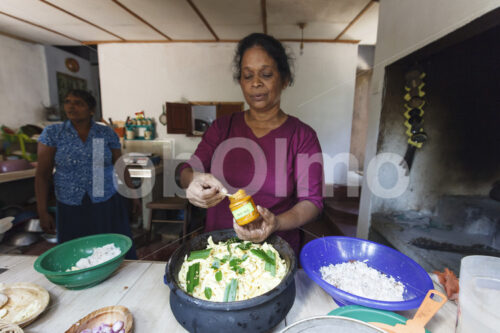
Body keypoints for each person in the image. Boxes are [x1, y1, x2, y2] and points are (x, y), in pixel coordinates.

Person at [179, 33, 324, 254]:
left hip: (276, 251)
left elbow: (311, 202)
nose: (256, 83)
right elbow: (185, 172)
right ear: (241, 82)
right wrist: (193, 180)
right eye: (248, 76)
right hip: (220, 250)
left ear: (284, 79)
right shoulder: (221, 128)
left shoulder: (302, 136)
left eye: (266, 74)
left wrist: (276, 222)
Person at [35, 90, 139, 259]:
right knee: (75, 253)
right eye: (68, 101)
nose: (71, 106)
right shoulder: (54, 133)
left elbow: (119, 165)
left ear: (91, 110)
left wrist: (133, 195)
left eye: (78, 103)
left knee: (111, 248)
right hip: (70, 203)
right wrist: (42, 211)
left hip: (105, 201)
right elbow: (42, 175)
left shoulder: (105, 133)